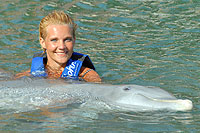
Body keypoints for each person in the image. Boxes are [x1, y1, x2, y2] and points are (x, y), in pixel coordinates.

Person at [16, 10, 101, 82]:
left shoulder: (88, 75)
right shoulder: (29, 74)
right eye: (54, 40)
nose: (62, 46)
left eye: (67, 39)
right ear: (43, 42)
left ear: (74, 40)